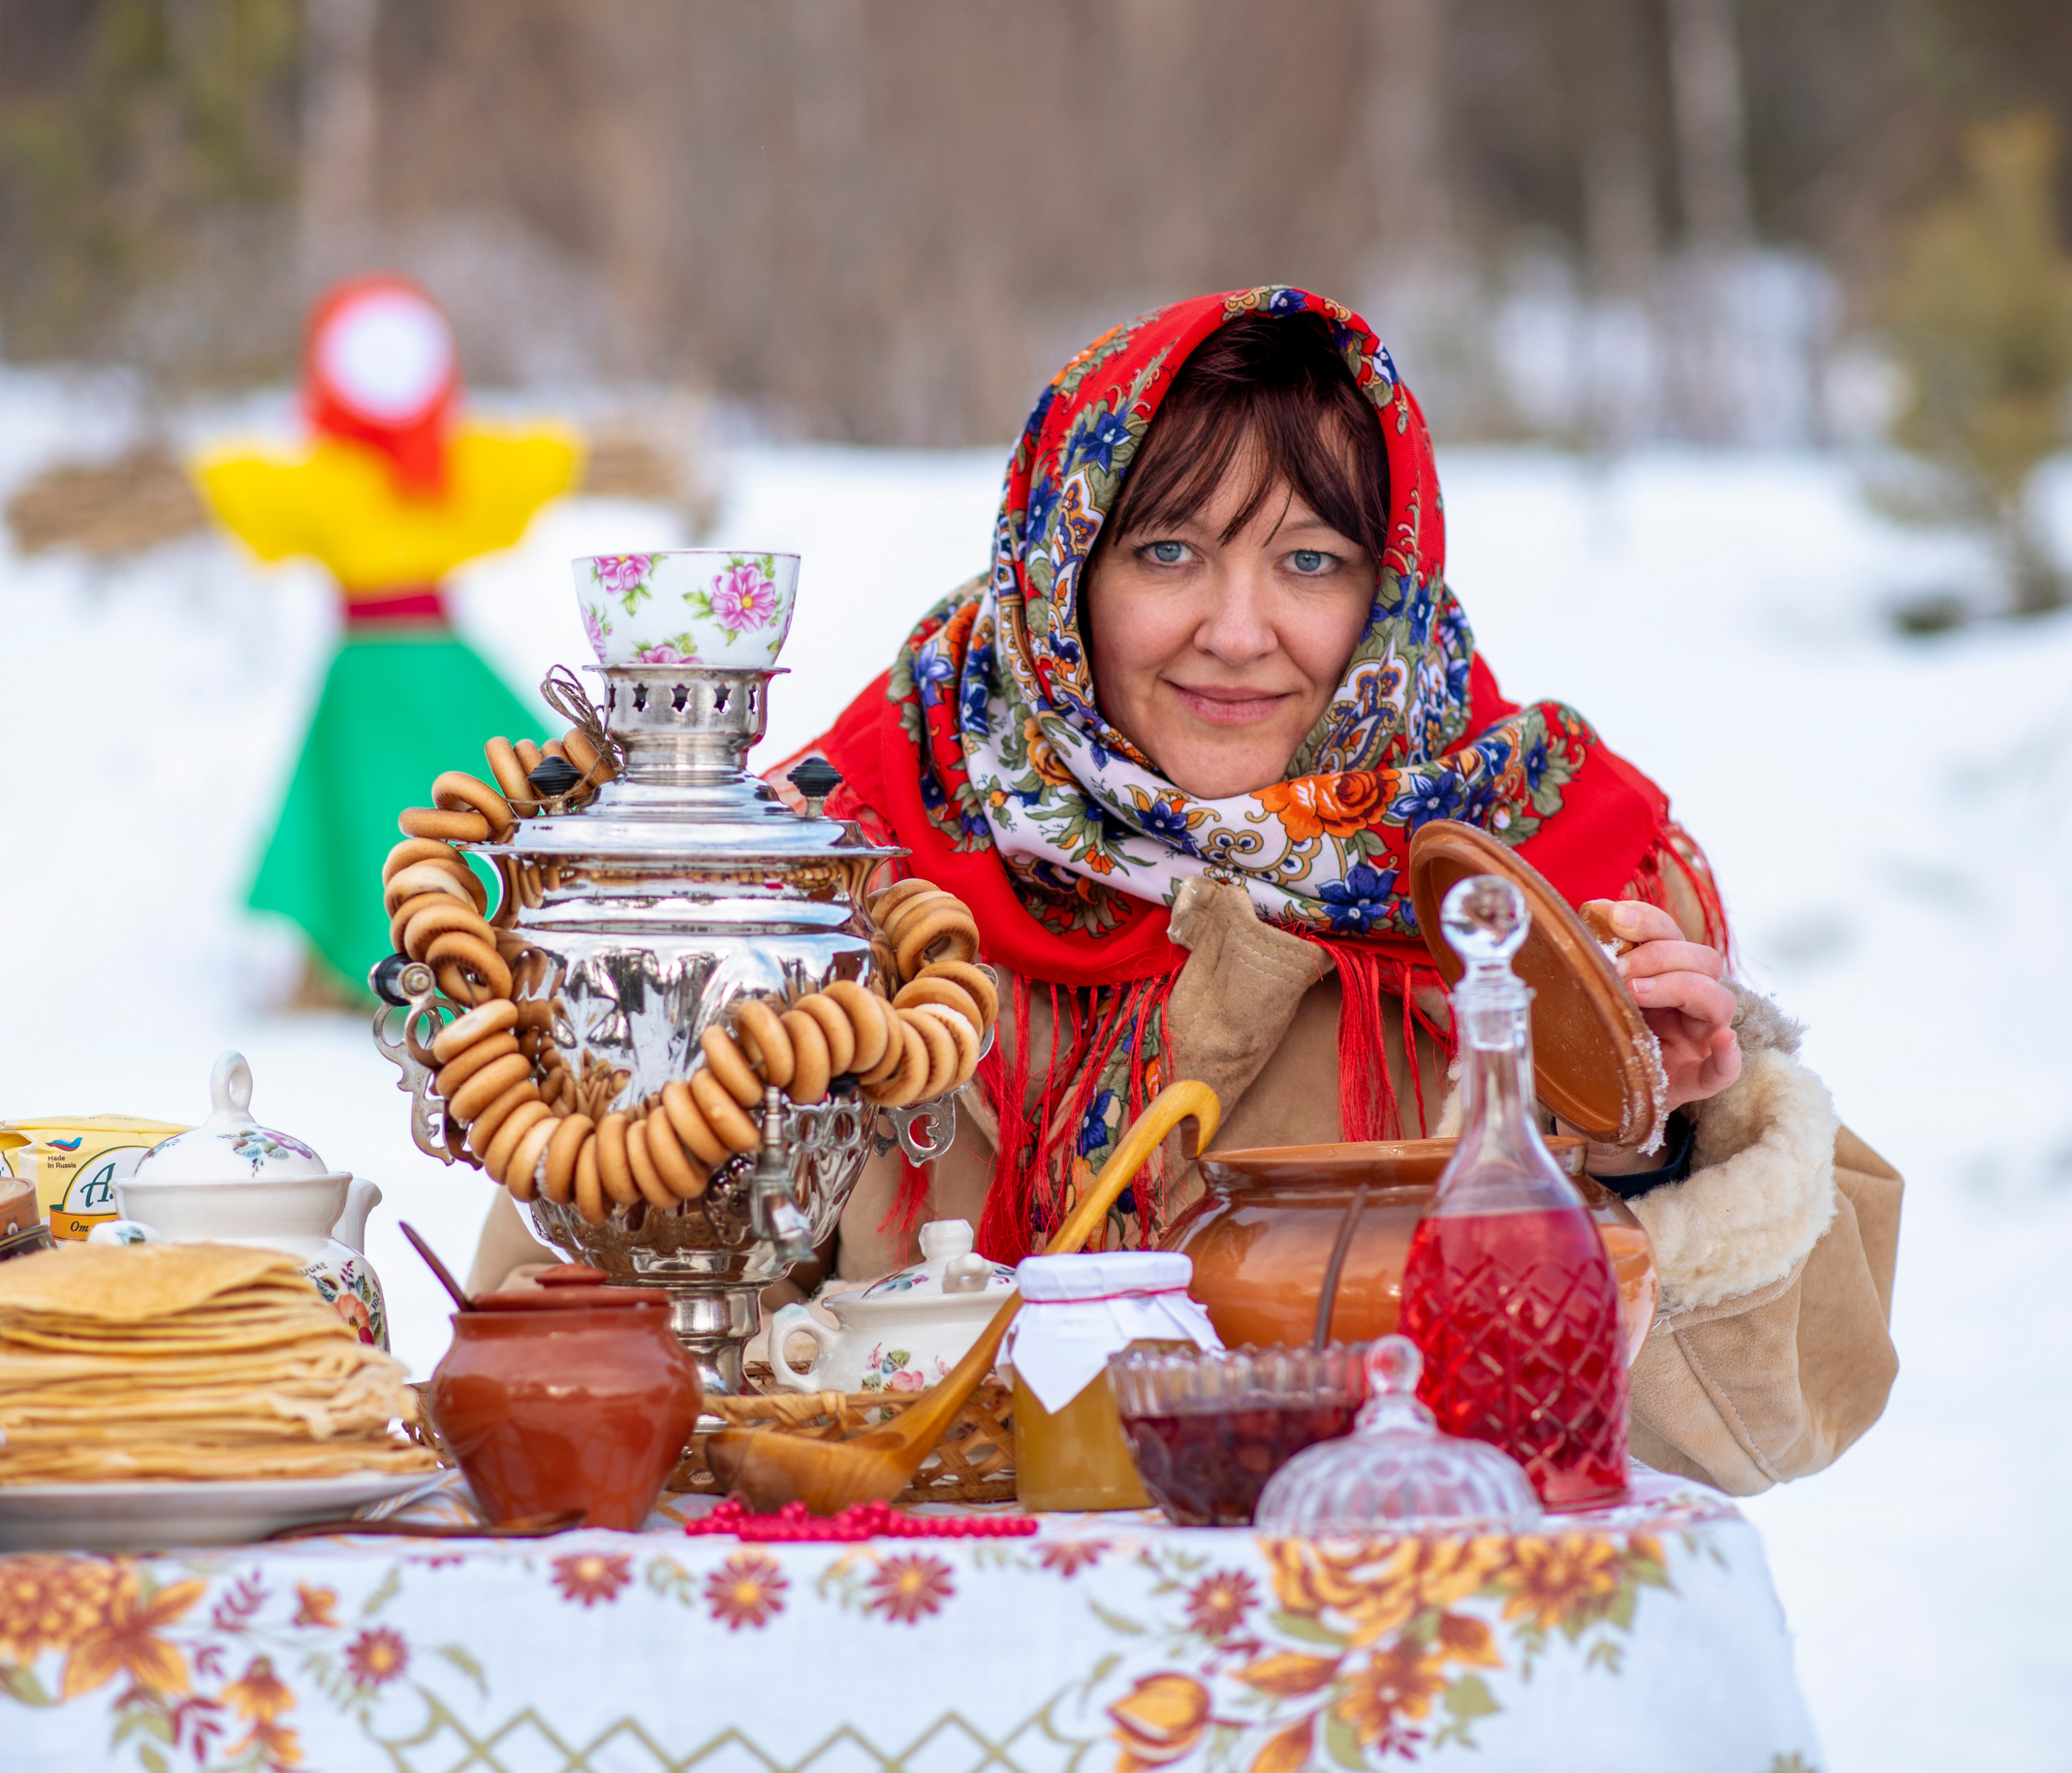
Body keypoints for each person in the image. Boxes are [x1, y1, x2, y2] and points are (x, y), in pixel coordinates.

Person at [469, 287, 1899, 1495]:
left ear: (1389, 586)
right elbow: (591, 1372)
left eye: (1311, 561)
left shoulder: (1536, 878)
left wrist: (1660, 1141)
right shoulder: (844, 869)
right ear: (1062, 564)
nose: (1237, 631)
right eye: (1166, 550)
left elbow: (1767, 1429)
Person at [196, 277, 581, 998]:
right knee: (453, 799)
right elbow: (543, 459)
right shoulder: (422, 472)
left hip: (376, 666)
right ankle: (446, 954)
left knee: (375, 810)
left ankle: (432, 957)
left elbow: (234, 483)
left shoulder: (341, 477)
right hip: (429, 664)